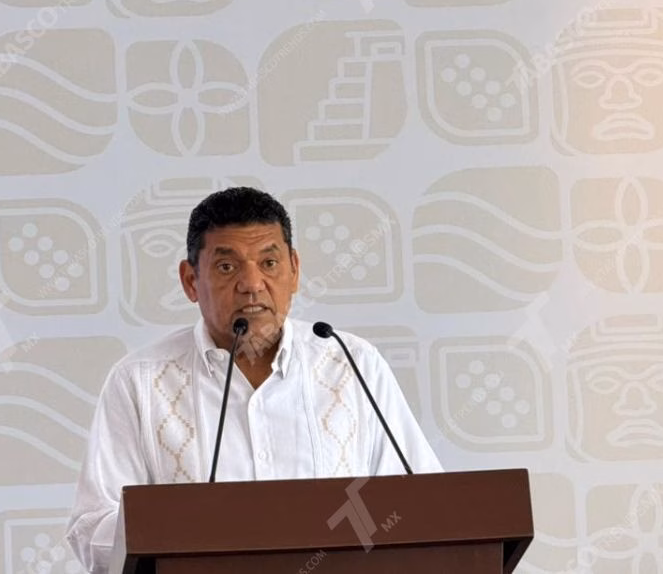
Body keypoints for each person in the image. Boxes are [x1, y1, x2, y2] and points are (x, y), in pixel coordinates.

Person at [64, 187, 443, 573]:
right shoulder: (140, 381)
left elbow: (425, 502)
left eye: (269, 263)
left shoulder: (353, 364)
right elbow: (92, 526)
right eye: (227, 267)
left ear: (294, 270)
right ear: (191, 281)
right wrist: (182, 530)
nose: (252, 283)